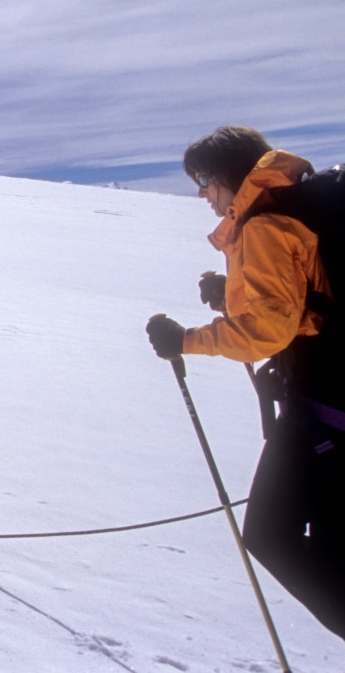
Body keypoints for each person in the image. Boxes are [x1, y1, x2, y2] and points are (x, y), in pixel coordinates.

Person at [146, 126, 345, 639]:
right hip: (332, 403)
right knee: (326, 551)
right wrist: (232, 292)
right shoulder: (295, 200)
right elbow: (300, 297)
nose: (202, 193)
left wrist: (186, 340)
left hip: (323, 413)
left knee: (271, 537)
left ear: (232, 175)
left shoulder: (265, 223)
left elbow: (267, 331)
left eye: (206, 180)